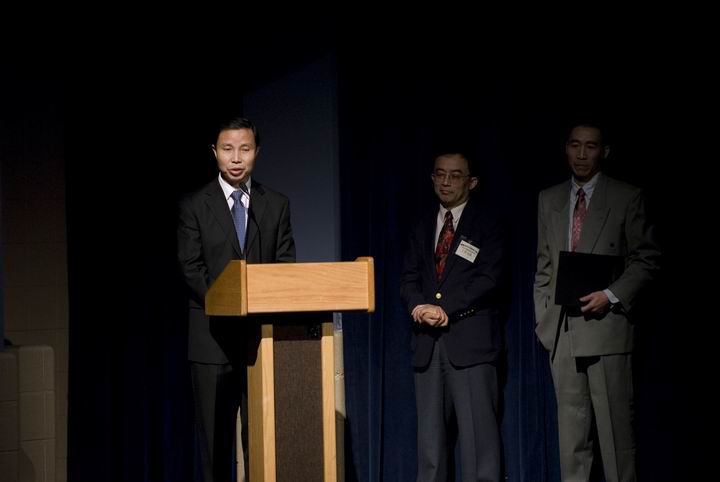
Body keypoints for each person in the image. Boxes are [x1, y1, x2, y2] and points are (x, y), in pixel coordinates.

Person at [534, 121, 660, 482]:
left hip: (607, 329)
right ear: (566, 148)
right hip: (563, 331)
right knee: (572, 444)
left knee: (616, 441)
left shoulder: (625, 196)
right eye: (575, 145)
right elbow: (544, 265)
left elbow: (647, 258)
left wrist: (611, 295)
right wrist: (545, 323)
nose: (581, 154)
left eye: (590, 146)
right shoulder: (550, 198)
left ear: (604, 152)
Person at [177, 117, 296, 482]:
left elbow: (285, 264)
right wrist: (226, 301)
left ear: (257, 152)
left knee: (261, 443)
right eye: (228, 149)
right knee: (216, 447)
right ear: (215, 152)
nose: (236, 158)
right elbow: (191, 267)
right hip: (211, 340)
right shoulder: (194, 205)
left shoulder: (275, 204)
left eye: (245, 149)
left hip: (260, 341)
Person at [400, 151, 507, 482]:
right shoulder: (421, 225)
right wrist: (418, 306)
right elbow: (408, 277)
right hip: (428, 344)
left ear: (471, 182)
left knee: (478, 446)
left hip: (470, 343)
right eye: (440, 174)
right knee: (430, 449)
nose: (446, 182)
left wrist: (445, 308)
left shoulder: (487, 224)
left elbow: (488, 279)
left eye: (455, 175)